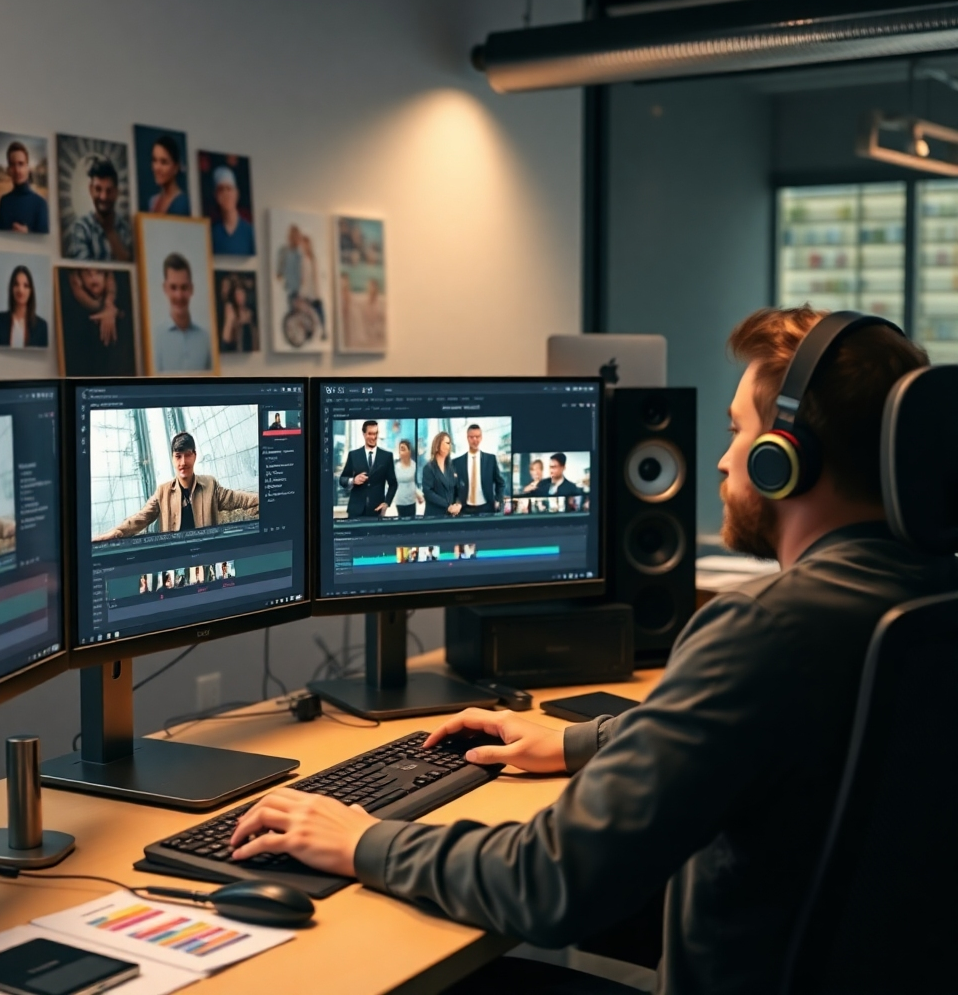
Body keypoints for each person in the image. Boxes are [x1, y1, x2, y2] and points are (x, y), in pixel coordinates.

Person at [224, 306, 958, 994]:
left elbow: (547, 884)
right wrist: (581, 741)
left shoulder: (765, 629)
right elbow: (778, 731)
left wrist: (363, 839)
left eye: (737, 431)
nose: (722, 461)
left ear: (783, 458)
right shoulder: (922, 600)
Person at [94, 431, 258, 540]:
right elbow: (140, 518)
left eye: (188, 455)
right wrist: (117, 533)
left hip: (207, 558)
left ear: (195, 456)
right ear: (172, 458)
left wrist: (267, 502)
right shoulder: (163, 492)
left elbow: (242, 499)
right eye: (178, 456)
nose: (183, 462)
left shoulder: (210, 486)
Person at [153, 253, 213, 372]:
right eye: (173, 287)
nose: (179, 296)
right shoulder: (155, 339)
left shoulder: (206, 339)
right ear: (165, 288)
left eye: (184, 287)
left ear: (191, 289)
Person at [69, 158, 132, 262]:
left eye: (109, 191)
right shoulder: (81, 228)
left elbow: (130, 265)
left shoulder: (127, 230)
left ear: (116, 193)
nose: (103, 197)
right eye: (98, 189)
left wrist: (110, 231)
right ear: (91, 190)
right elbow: (83, 267)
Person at [338, 421, 397, 519]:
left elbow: (393, 484)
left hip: (376, 511)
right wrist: (353, 480)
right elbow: (342, 479)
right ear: (364, 434)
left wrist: (387, 503)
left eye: (375, 433)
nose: (373, 437)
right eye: (370, 434)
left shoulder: (386, 457)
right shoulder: (354, 455)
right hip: (355, 511)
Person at [0, 140, 49, 233]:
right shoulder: (4, 201)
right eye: (12, 165)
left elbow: (46, 240)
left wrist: (28, 234)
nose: (17, 170)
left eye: (21, 164)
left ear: (27, 167)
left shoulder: (40, 204)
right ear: (9, 169)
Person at [0, 265, 48, 348]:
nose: (20, 290)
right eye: (16, 284)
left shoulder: (41, 326)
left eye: (26, 285)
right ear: (11, 289)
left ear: (31, 291)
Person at [454, 425, 505, 515]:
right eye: (472, 437)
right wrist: (456, 502)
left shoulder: (490, 460)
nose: (475, 440)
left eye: (477, 436)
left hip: (487, 507)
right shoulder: (457, 462)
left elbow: (500, 482)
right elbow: (453, 486)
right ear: (467, 438)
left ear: (481, 438)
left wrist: (498, 499)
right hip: (464, 509)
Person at [209, 165, 254, 255]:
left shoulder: (249, 232)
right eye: (221, 189)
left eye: (229, 189)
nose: (226, 194)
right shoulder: (212, 233)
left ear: (236, 193)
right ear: (216, 195)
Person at [421, 431, 461, 518]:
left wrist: (458, 504)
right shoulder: (428, 468)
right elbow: (428, 492)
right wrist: (448, 506)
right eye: (447, 443)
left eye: (450, 443)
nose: (449, 446)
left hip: (450, 516)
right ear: (438, 445)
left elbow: (457, 489)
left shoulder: (452, 468)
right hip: (434, 516)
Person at [147, 135, 189, 216]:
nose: (157, 168)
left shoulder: (183, 204)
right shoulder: (153, 201)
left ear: (176, 167)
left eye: (164, 162)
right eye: (154, 160)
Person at [299, 235, 327, 340]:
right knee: (306, 313)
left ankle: (323, 330)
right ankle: (308, 332)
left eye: (306, 245)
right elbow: (302, 277)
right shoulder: (302, 259)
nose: (304, 247)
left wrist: (317, 291)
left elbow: (315, 277)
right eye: (303, 245)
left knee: (319, 310)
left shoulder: (313, 259)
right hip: (305, 291)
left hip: (313, 291)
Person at [219, 277, 258, 353]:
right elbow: (226, 340)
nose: (239, 297)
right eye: (237, 294)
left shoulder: (250, 313)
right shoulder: (231, 312)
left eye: (242, 293)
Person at [393, 439, 423, 518]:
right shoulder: (395, 467)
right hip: (400, 500)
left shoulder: (414, 465)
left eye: (403, 449)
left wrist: (418, 495)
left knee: (412, 520)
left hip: (411, 500)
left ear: (409, 451)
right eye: (400, 449)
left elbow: (415, 483)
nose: (400, 452)